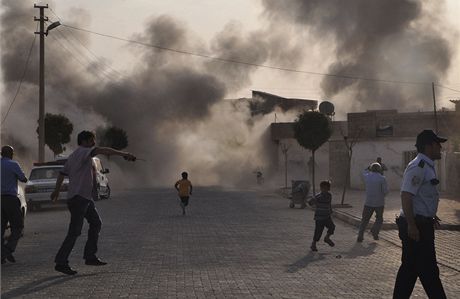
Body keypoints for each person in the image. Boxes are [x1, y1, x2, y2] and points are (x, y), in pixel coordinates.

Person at [51, 130, 136, 275]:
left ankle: (90, 256)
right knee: (74, 232)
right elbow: (103, 150)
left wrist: (56, 191)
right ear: (84, 141)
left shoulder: (72, 156)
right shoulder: (84, 152)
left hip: (83, 198)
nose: (93, 143)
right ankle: (61, 262)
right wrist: (124, 154)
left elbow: (62, 173)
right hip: (79, 198)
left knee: (96, 223)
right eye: (91, 140)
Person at [393, 129, 447, 299]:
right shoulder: (418, 166)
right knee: (428, 270)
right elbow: (406, 195)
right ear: (428, 146)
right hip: (417, 228)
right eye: (437, 144)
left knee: (410, 270)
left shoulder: (427, 166)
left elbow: (422, 196)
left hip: (421, 223)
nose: (440, 147)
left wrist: (431, 214)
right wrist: (411, 225)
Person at [1, 145, 28, 264]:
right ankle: (7, 250)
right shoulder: (13, 164)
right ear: (11, 154)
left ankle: (3, 254)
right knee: (18, 226)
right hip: (10, 199)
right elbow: (24, 179)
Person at [357, 162, 388, 242]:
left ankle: (360, 235)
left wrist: (368, 168)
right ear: (379, 169)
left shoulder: (367, 177)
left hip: (368, 202)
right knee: (379, 219)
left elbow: (363, 172)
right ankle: (375, 230)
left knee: (365, 219)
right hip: (379, 202)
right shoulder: (382, 178)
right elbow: (385, 191)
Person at [308, 180, 335, 252]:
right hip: (319, 218)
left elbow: (329, 205)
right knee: (318, 232)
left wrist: (331, 212)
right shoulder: (318, 196)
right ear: (321, 188)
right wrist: (313, 201)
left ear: (328, 189)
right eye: (323, 188)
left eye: (326, 188)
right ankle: (313, 244)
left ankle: (327, 238)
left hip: (327, 216)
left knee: (332, 227)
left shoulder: (329, 195)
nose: (325, 190)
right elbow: (310, 202)